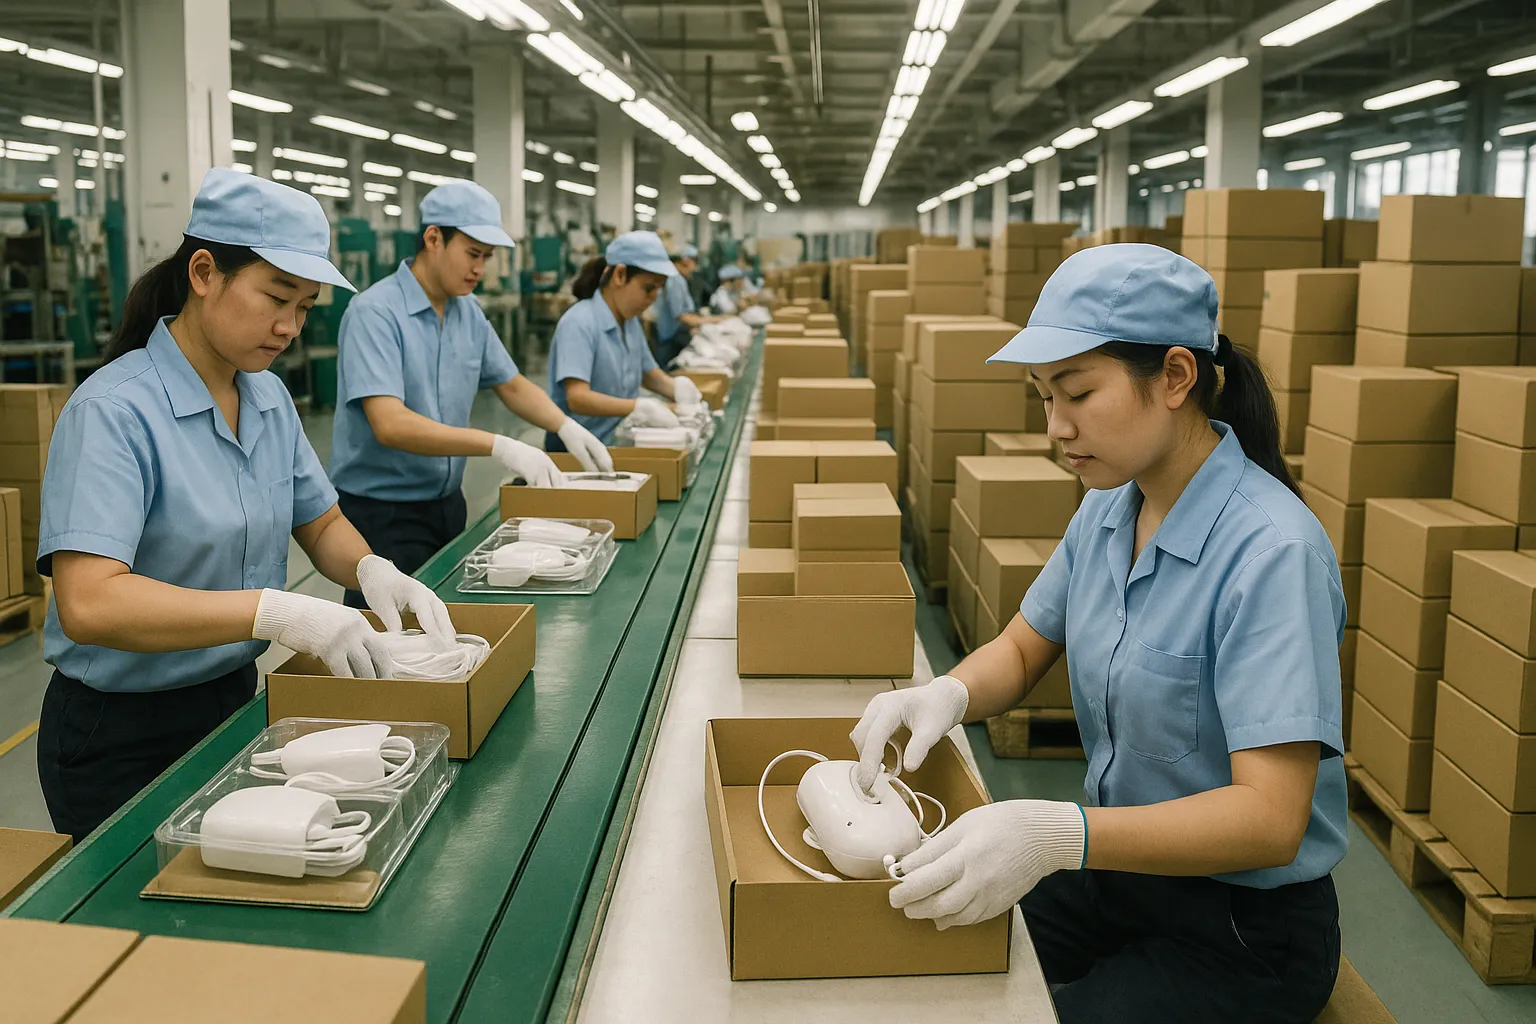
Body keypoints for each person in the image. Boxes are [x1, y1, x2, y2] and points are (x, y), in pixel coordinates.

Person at [852, 244, 1345, 1023]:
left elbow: (1271, 818)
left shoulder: (1271, 554)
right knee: (915, 942)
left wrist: (1053, 833)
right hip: (1118, 881)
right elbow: (1021, 648)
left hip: (1240, 931)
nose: (1056, 427)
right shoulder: (1111, 507)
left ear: (1177, 378)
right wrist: (944, 691)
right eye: (1044, 397)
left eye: (1078, 393)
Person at [36, 169, 454, 843]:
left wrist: (374, 570)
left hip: (230, 703)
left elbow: (318, 521)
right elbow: (90, 604)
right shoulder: (113, 412)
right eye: (276, 298)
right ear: (205, 272)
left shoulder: (266, 397)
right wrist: (276, 610)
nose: (289, 326)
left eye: (306, 307)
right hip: (118, 732)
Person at [328, 181, 611, 609]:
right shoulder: (375, 313)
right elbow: (390, 423)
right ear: (433, 238)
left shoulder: (468, 312)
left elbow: (511, 383)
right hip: (382, 515)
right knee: (394, 646)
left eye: (487, 258)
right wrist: (498, 444)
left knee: (445, 620)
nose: (480, 269)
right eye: (473, 254)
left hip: (447, 504)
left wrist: (564, 425)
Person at [546, 231, 702, 449]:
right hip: (579, 450)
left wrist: (677, 389)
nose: (653, 298)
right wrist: (637, 407)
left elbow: (648, 373)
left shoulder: (630, 322)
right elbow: (577, 398)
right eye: (648, 288)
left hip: (617, 440)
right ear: (620, 275)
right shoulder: (579, 323)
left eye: (659, 289)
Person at [652, 243, 713, 367]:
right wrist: (707, 322)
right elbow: (679, 315)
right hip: (669, 338)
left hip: (671, 335)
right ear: (685, 260)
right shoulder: (674, 278)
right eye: (694, 261)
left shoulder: (678, 278)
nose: (695, 266)